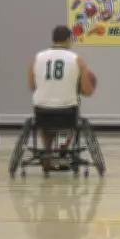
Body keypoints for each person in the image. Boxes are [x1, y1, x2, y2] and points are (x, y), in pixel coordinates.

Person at [28, 25, 96, 172]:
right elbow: (87, 91)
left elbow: (32, 86)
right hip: (67, 112)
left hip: (42, 111)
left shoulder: (38, 58)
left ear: (53, 39)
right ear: (68, 40)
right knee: (69, 118)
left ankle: (47, 153)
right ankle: (63, 151)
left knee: (46, 122)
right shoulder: (77, 60)